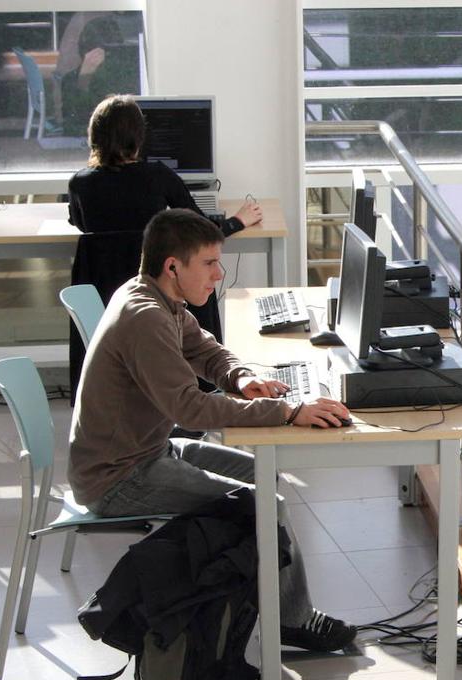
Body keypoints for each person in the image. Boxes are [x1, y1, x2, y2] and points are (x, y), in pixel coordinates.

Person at [68, 208, 356, 651]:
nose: (218, 275)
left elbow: (205, 350)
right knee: (266, 504)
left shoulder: (155, 296)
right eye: (209, 264)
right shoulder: (145, 318)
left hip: (148, 452)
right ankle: (292, 622)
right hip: (119, 478)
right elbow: (191, 408)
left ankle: (266, 604)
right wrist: (287, 410)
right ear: (172, 266)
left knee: (265, 479)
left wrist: (242, 379)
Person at [67, 94, 262, 236]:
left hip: (99, 291)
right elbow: (205, 231)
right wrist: (238, 221)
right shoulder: (158, 176)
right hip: (150, 290)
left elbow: (82, 226)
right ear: (138, 137)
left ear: (94, 137)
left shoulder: (78, 183)